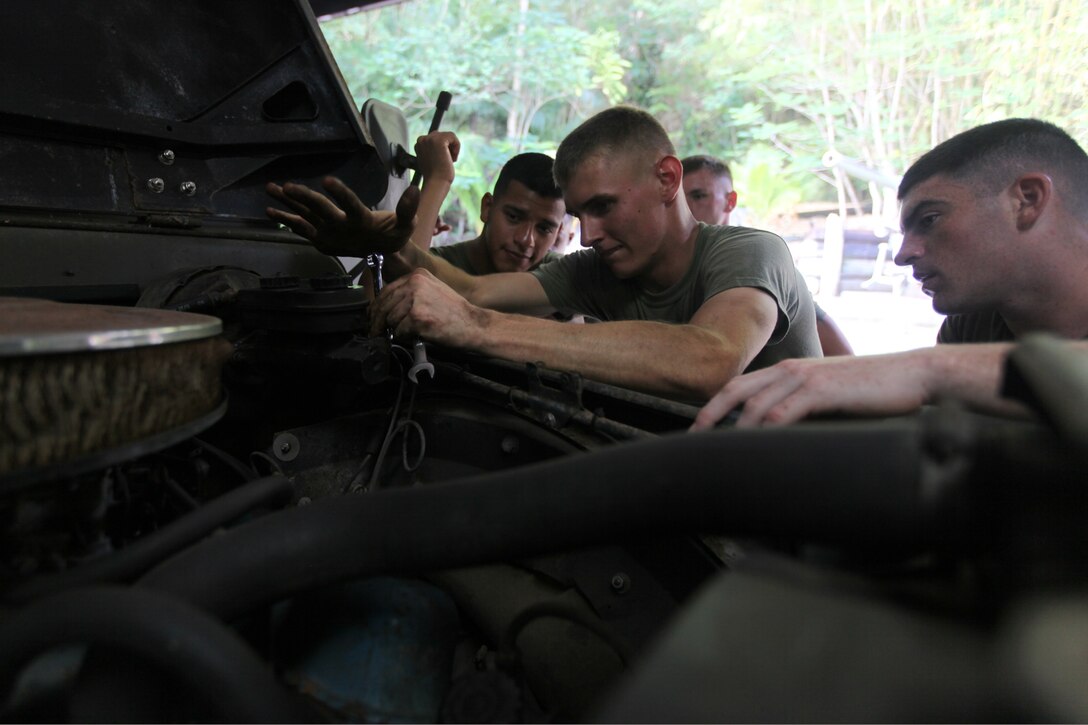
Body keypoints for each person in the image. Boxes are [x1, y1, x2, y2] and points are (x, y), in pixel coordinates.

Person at [268, 105, 821, 402]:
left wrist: (479, 327)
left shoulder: (751, 252)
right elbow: (473, 288)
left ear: (667, 178)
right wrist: (388, 245)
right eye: (581, 216)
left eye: (603, 206)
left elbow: (708, 360)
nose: (589, 233)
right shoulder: (597, 271)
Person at [691, 118, 1088, 428]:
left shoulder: (953, 360)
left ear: (1027, 200)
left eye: (930, 219)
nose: (904, 254)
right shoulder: (972, 325)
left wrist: (924, 370)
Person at [681, 154, 855, 357]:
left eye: (698, 196)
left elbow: (842, 356)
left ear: (730, 201)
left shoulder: (756, 260)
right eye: (678, 198)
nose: (685, 207)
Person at [408, 132, 566, 274]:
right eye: (513, 217)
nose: (526, 240)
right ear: (487, 208)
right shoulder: (434, 267)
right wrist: (438, 179)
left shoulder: (561, 278)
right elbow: (404, 276)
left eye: (544, 228)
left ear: (558, 233)